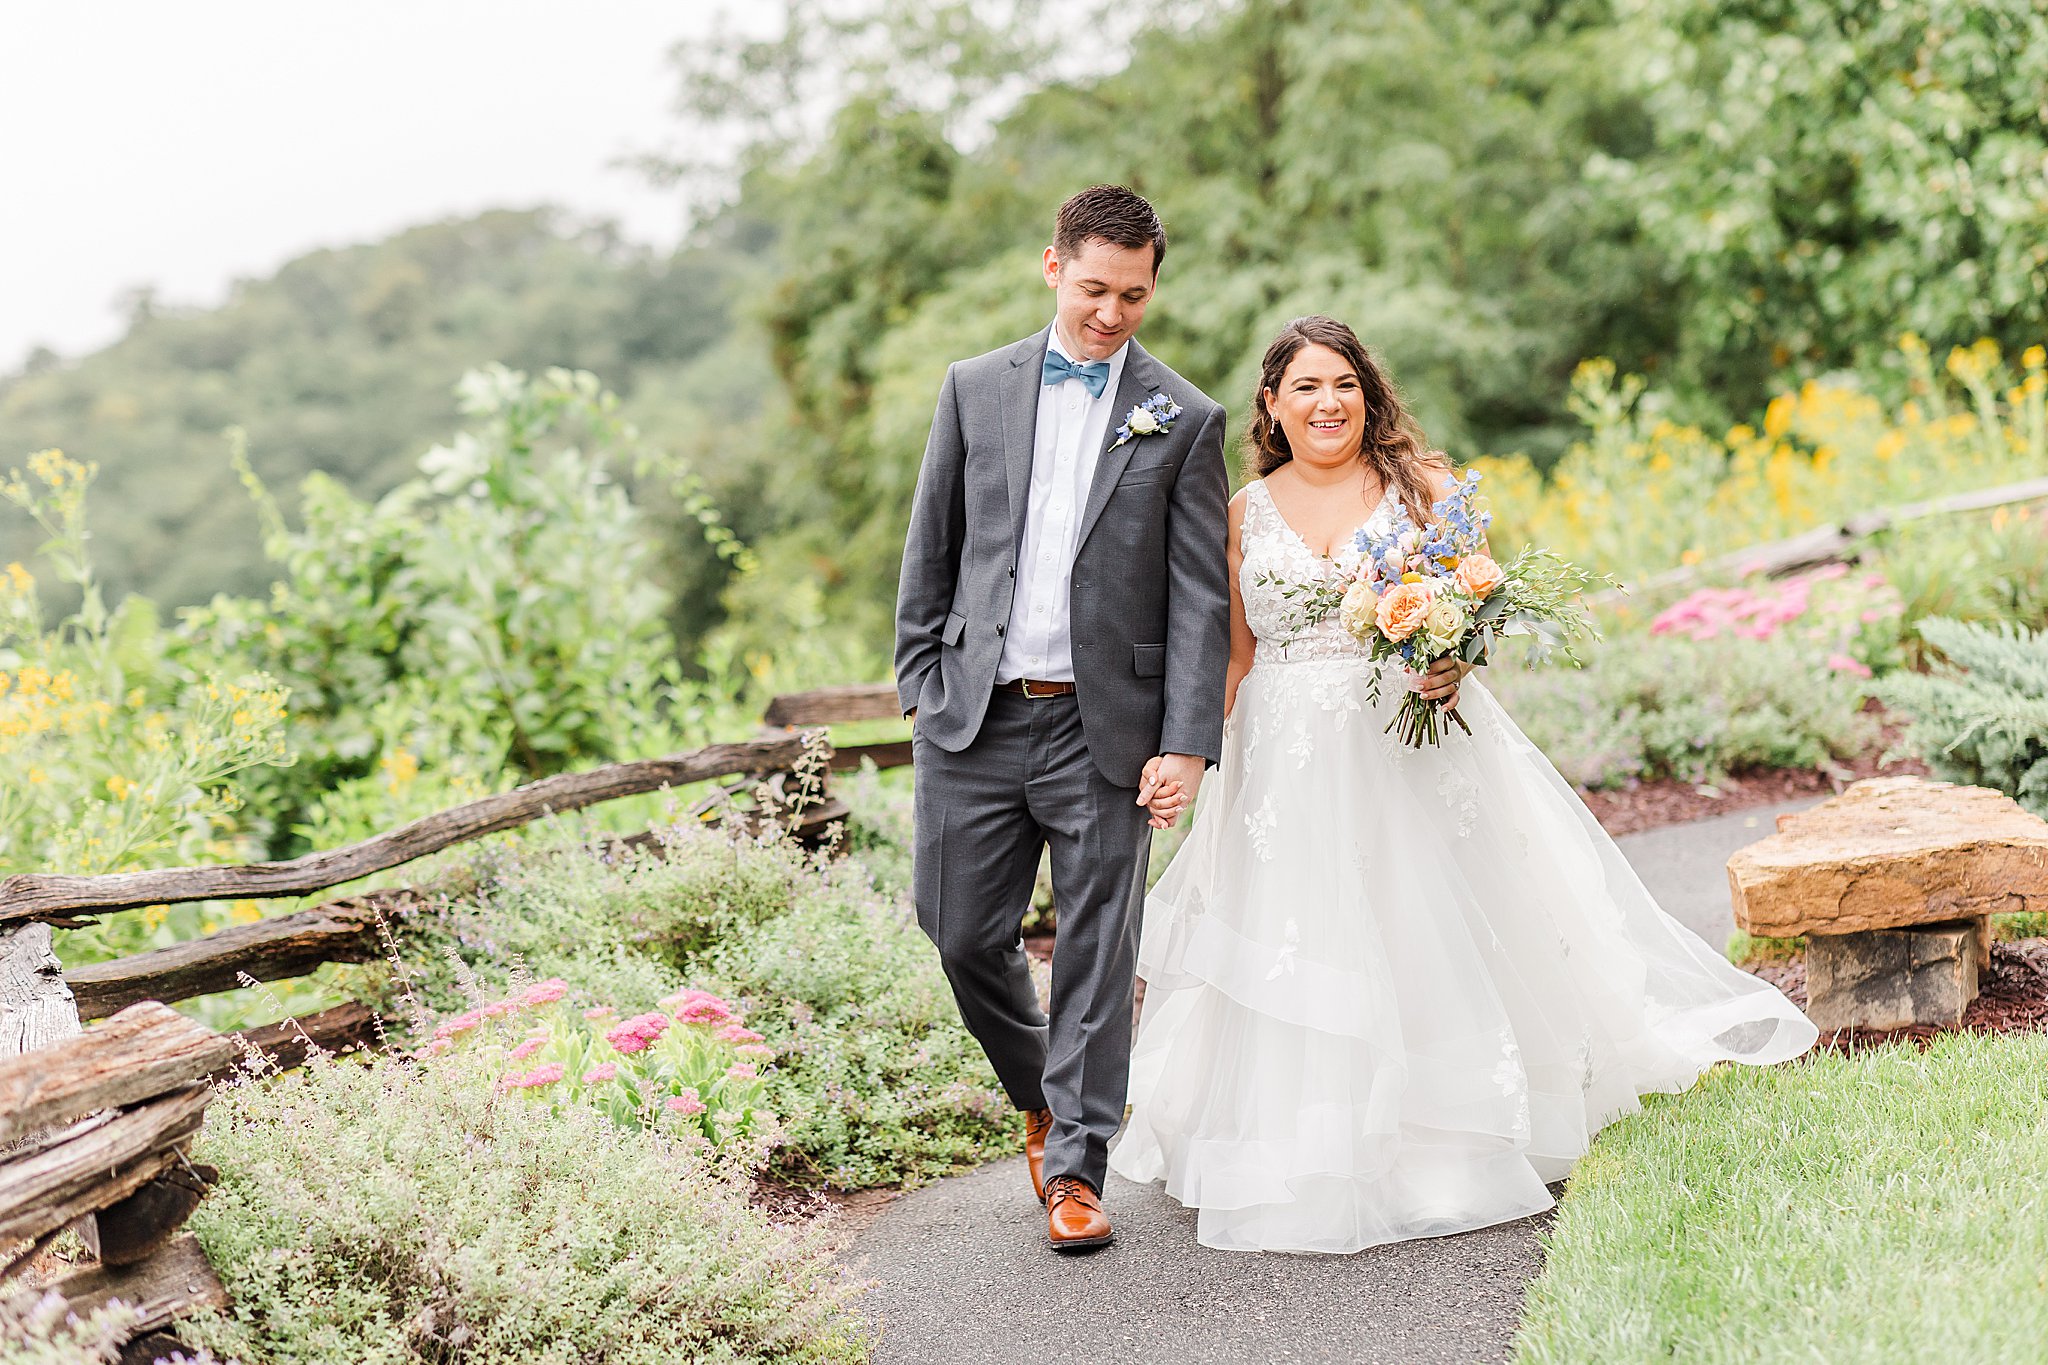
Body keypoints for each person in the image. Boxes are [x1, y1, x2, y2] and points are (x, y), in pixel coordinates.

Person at [1108, 315, 1817, 1253]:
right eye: (1307, 388)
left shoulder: (1423, 488)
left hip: (1408, 740)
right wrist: (1190, 756)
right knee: (1299, 935)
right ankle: (1308, 1138)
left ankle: (1443, 1130)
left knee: (1417, 918)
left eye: (1345, 385)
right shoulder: (1246, 512)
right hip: (1281, 760)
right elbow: (1235, 654)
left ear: (1369, 394)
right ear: (1271, 406)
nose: (1328, 404)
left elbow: (1470, 614)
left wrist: (1452, 662)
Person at [893, 185, 1231, 1252]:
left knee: (1095, 946)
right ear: (1052, 268)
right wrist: (918, 682)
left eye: (1131, 295)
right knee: (956, 930)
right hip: (974, 716)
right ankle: (1044, 1093)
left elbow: (1197, 599)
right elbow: (932, 546)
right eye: (1092, 289)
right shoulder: (972, 388)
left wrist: (1184, 739)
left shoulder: (1182, 417)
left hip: (1106, 729)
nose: (1109, 314)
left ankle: (1077, 1171)